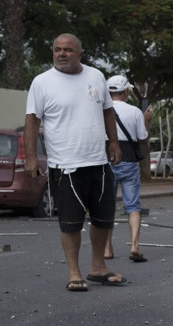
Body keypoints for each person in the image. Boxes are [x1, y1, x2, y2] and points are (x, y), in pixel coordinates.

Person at [24, 34, 125, 292]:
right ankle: (74, 272)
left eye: (68, 50)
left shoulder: (96, 76)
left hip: (99, 162)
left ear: (80, 53)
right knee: (71, 223)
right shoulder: (42, 82)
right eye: (57, 49)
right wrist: (32, 157)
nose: (61, 54)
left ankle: (98, 267)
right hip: (66, 166)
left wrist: (113, 142)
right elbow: (33, 120)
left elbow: (107, 110)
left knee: (104, 219)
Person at [103, 75, 149, 263]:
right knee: (133, 205)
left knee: (106, 205)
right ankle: (134, 245)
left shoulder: (101, 110)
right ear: (125, 92)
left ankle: (107, 248)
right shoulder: (135, 111)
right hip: (129, 159)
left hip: (106, 159)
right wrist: (147, 121)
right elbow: (142, 138)